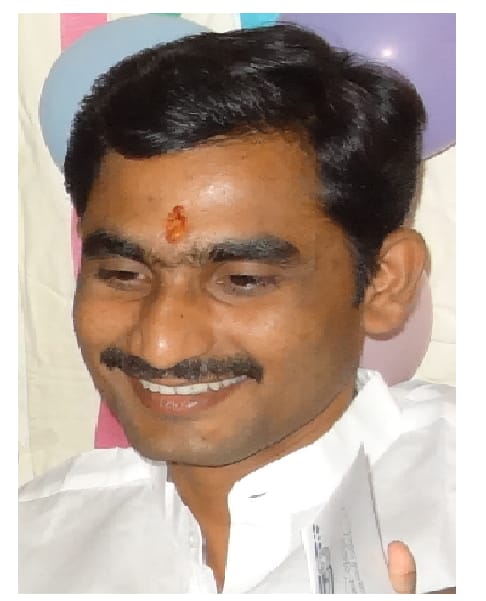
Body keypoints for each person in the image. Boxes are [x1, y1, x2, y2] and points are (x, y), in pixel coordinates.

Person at [18, 24, 455, 593]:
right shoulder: (30, 545)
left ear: (383, 283)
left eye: (242, 281)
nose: (161, 345)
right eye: (123, 275)